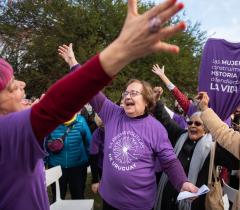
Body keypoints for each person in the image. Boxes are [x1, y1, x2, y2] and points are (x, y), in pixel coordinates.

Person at [0, 1, 192, 209]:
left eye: (134, 93)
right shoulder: (112, 113)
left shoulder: (156, 128)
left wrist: (182, 182)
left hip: (141, 204)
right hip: (109, 201)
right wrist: (112, 52)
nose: (127, 95)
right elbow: (82, 93)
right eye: (125, 92)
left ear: (146, 100)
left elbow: (169, 161)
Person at [153, 87, 239, 210]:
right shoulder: (180, 135)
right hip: (168, 201)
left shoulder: (214, 148)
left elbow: (235, 162)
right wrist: (157, 100)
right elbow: (165, 119)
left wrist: (225, 139)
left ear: (206, 129)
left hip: (195, 204)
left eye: (198, 124)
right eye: (190, 123)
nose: (192, 125)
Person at [46, 113, 91, 201]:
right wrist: (44, 162)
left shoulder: (81, 121)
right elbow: (44, 144)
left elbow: (89, 143)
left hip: (77, 167)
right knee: (58, 198)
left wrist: (86, 160)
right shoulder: (51, 121)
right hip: (56, 166)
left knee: (78, 198)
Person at [89, 114, 105, 194]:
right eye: (101, 126)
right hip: (103, 168)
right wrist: (95, 180)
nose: (104, 128)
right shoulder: (97, 134)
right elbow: (93, 157)